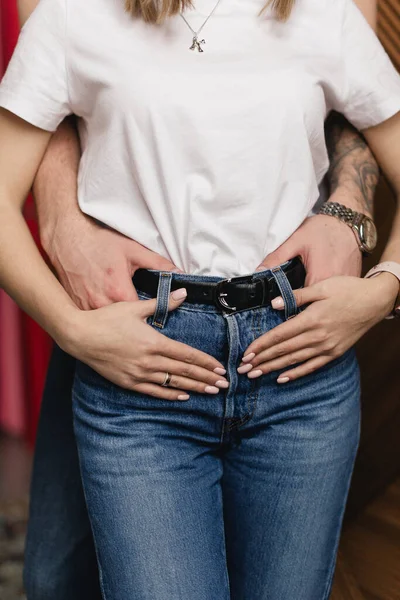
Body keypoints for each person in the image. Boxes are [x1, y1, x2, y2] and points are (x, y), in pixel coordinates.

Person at [1, 0, 400, 598]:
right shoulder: (74, 17)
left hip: (299, 372)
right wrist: (71, 329)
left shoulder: (324, 15)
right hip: (140, 377)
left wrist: (383, 288)